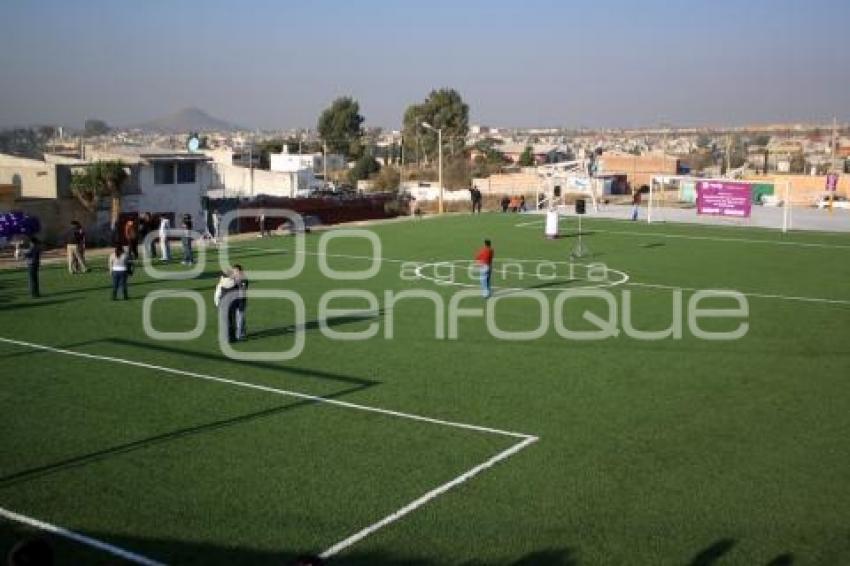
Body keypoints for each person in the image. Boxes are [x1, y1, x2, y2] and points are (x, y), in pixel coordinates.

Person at [214, 270, 239, 342]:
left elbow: (217, 295)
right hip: (233, 304)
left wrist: (217, 304)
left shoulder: (221, 284)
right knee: (232, 320)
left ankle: (225, 337)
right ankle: (232, 337)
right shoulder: (235, 283)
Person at [231, 264, 249, 340]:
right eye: (234, 271)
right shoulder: (232, 278)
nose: (235, 272)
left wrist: (235, 284)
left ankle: (238, 335)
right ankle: (243, 332)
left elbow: (243, 289)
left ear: (240, 271)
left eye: (236, 271)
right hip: (235, 300)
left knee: (240, 317)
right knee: (239, 317)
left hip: (241, 300)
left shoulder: (243, 279)